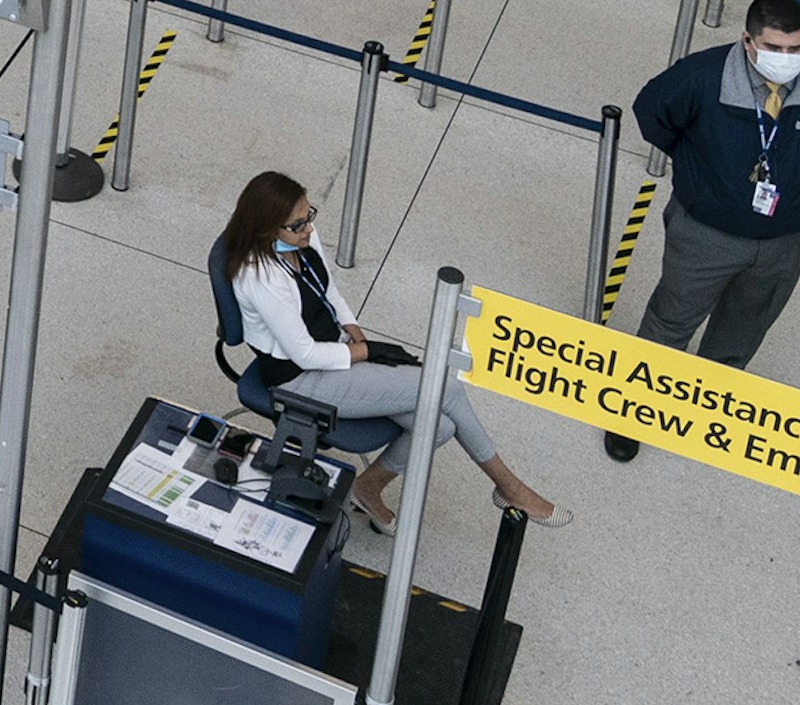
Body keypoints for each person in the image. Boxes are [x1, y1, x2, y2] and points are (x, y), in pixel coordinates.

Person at [220, 172, 564, 534]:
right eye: (297, 225)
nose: (308, 229)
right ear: (266, 230)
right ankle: (511, 488)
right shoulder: (261, 278)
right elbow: (305, 356)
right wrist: (365, 352)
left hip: (335, 350)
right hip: (301, 378)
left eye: (309, 216)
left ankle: (367, 488)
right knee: (446, 389)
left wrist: (352, 327)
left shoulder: (299, 239)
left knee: (440, 425)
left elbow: (328, 289)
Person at [607, 0, 800, 459]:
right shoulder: (701, 78)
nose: (787, 60)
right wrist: (700, 171)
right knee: (671, 321)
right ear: (747, 41)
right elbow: (653, 113)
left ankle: (708, 407)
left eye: (796, 49)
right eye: (774, 48)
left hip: (786, 237)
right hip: (706, 232)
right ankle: (633, 411)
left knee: (744, 327)